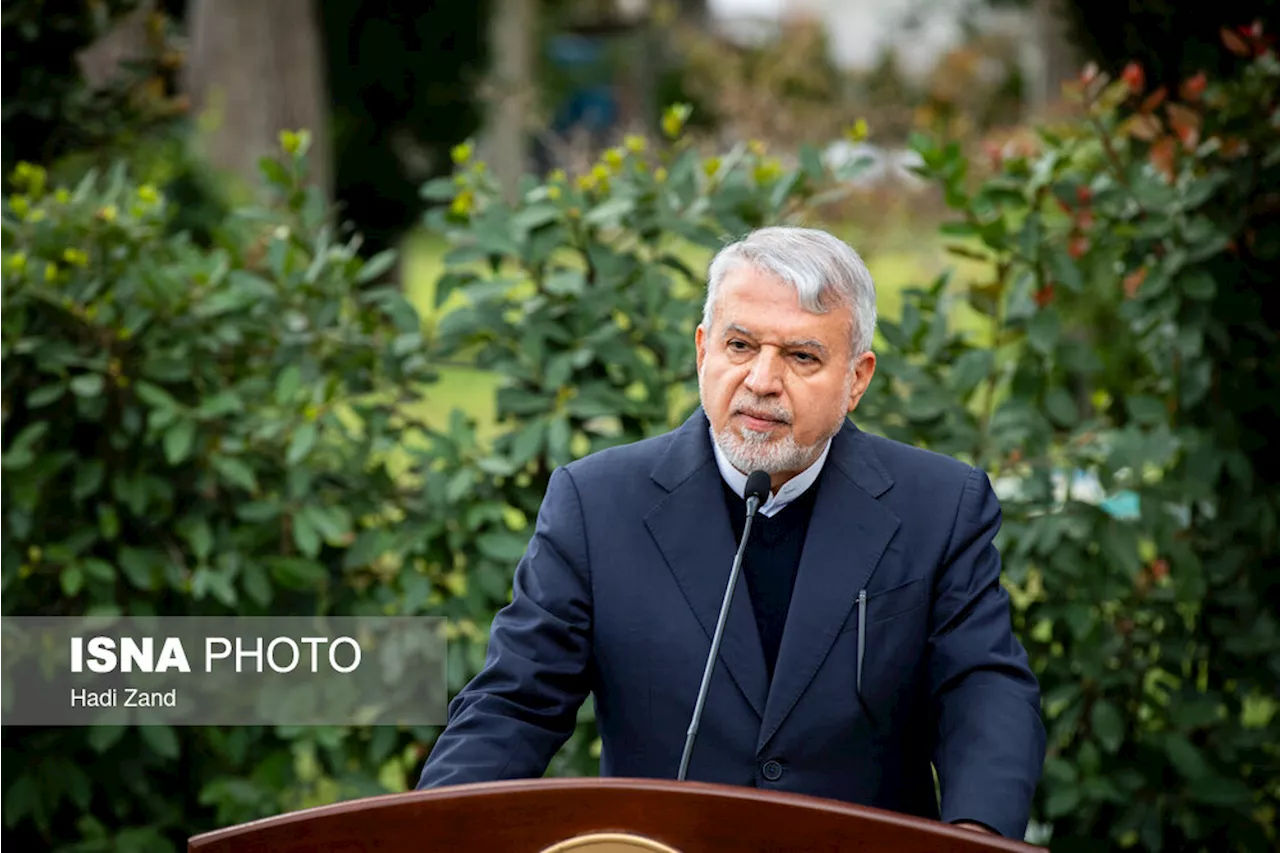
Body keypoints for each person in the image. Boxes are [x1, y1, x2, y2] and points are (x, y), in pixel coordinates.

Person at [416, 226, 1046, 839]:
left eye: (801, 356)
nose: (762, 380)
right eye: (740, 346)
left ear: (857, 379)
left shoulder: (940, 505)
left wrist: (975, 836)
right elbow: (514, 704)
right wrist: (433, 834)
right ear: (702, 350)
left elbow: (981, 689)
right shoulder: (596, 503)